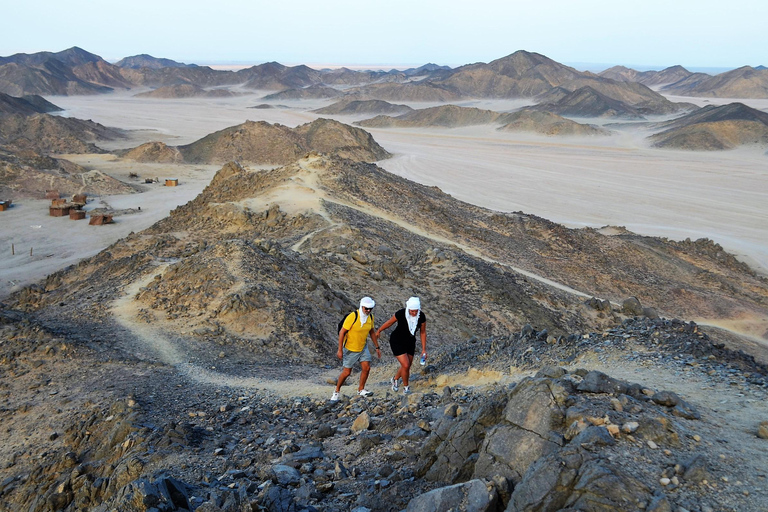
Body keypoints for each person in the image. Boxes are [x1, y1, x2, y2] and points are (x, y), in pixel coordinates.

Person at [331, 297, 381, 401]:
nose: (368, 311)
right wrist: (339, 349)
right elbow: (342, 332)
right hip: (350, 348)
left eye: (370, 309)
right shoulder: (352, 316)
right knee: (347, 372)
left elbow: (371, 332)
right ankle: (336, 391)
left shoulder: (370, 318)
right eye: (366, 309)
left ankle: (361, 389)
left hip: (363, 347)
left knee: (366, 368)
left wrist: (377, 347)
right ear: (361, 307)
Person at [375, 296, 427, 395]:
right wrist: (379, 330)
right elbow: (390, 322)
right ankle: (406, 388)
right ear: (409, 309)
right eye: (412, 311)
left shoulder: (422, 316)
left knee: (407, 365)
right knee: (406, 364)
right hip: (397, 340)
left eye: (416, 311)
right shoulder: (401, 313)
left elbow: (423, 332)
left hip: (410, 342)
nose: (414, 313)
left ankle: (395, 379)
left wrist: (424, 349)